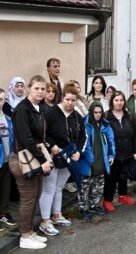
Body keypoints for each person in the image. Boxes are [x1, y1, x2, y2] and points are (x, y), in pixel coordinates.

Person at [9, 75, 52, 249]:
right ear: (29, 89)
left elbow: (40, 136)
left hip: (36, 156)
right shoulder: (22, 109)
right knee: (28, 198)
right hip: (23, 159)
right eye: (37, 88)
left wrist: (50, 148)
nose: (40, 92)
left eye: (43, 89)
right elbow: (26, 138)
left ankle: (31, 232)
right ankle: (25, 236)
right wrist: (42, 160)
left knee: (36, 195)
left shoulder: (40, 108)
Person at [39, 84, 86, 236]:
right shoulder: (51, 112)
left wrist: (78, 151)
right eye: (67, 99)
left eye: (73, 100)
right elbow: (43, 133)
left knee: (59, 187)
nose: (70, 103)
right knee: (49, 189)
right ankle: (45, 221)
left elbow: (83, 136)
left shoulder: (77, 116)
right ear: (62, 97)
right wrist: (52, 146)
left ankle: (57, 215)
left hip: (69, 158)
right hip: (52, 156)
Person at [103, 91, 136, 212]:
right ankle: (107, 200)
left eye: (121, 100)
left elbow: (135, 134)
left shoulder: (129, 116)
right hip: (113, 153)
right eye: (116, 100)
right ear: (112, 102)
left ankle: (123, 196)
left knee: (124, 175)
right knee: (111, 177)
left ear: (124, 102)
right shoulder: (106, 116)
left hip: (128, 151)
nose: (119, 103)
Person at [79, 102, 116, 219]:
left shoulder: (105, 124)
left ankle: (94, 205)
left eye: (100, 112)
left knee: (98, 185)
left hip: (102, 160)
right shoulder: (85, 124)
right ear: (91, 112)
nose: (98, 115)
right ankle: (83, 209)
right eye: (95, 112)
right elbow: (84, 145)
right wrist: (91, 160)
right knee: (84, 187)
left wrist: (112, 155)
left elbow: (111, 140)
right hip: (88, 162)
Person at [0, 88, 16, 232]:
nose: (0, 102)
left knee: (5, 187)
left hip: (6, 159)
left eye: (2, 99)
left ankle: (3, 213)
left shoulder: (7, 118)